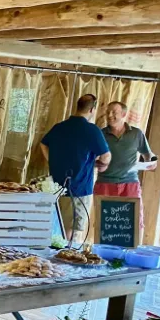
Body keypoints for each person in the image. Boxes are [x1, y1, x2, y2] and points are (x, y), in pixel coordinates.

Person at [40, 94, 111, 240]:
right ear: (92, 110)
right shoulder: (92, 130)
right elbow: (106, 157)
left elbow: (43, 144)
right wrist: (97, 164)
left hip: (55, 187)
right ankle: (65, 257)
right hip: (80, 188)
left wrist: (51, 160)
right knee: (72, 230)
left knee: (56, 224)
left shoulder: (59, 127)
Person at [94, 100, 157, 239]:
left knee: (135, 219)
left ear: (123, 114)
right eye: (108, 112)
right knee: (104, 221)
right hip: (105, 183)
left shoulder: (136, 134)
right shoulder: (100, 134)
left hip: (130, 183)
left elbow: (148, 154)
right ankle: (103, 253)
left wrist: (152, 162)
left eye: (114, 112)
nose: (109, 115)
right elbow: (89, 157)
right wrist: (96, 163)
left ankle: (133, 253)